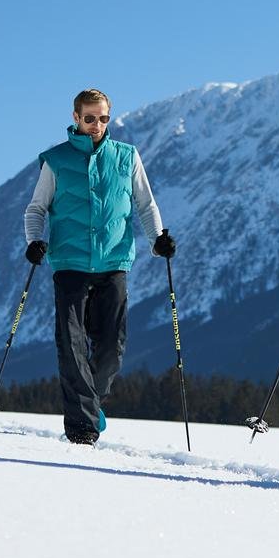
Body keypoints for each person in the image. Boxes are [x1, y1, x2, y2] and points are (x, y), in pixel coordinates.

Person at [23, 88, 173, 445]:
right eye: (89, 118)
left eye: (103, 118)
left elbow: (145, 204)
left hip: (113, 262)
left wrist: (158, 238)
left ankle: (89, 401)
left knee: (111, 348)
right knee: (71, 345)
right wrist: (34, 242)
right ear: (76, 118)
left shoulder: (126, 156)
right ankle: (82, 430)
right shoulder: (56, 160)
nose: (96, 125)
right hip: (70, 263)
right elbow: (36, 209)